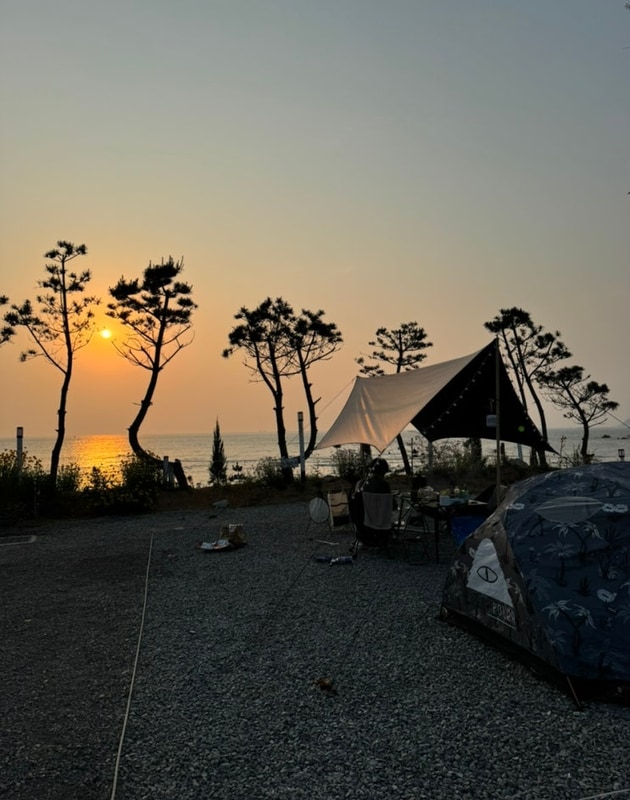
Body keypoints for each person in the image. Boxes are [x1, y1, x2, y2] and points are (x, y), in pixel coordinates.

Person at [350, 458, 393, 548]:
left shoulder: (361, 483)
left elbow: (355, 504)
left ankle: (360, 538)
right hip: (382, 525)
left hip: (364, 524)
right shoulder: (385, 486)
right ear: (384, 472)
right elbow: (391, 506)